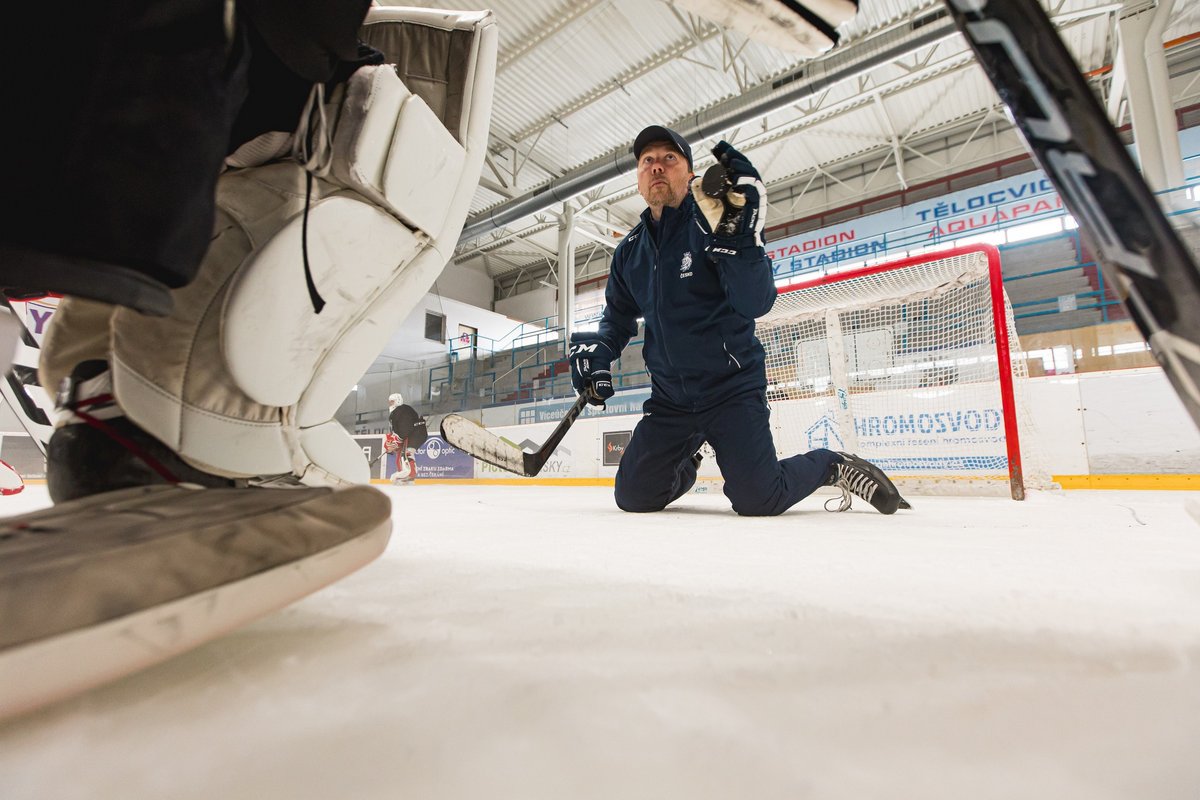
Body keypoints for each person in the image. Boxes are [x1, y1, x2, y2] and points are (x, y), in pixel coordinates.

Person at [568, 125, 908, 516]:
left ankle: (831, 464)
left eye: (669, 159)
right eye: (648, 161)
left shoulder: (718, 224)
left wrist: (741, 243)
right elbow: (617, 319)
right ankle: (687, 460)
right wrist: (598, 354)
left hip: (730, 389)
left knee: (759, 499)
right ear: (639, 180)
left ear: (689, 173)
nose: (657, 167)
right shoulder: (630, 252)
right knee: (633, 497)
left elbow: (756, 302)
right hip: (671, 400)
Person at [384, 393, 428, 484]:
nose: (390, 404)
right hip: (416, 433)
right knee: (402, 454)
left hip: (416, 433)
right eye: (390, 402)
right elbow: (401, 429)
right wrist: (396, 439)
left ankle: (409, 474)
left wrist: (397, 439)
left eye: (392, 401)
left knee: (407, 453)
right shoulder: (402, 410)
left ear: (398, 400)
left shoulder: (400, 411)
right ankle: (408, 474)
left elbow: (405, 428)